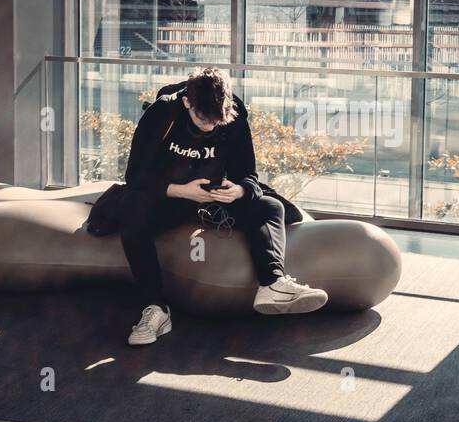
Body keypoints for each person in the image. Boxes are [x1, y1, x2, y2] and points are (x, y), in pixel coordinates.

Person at [110, 67, 328, 345]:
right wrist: (181, 191)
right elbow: (136, 175)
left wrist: (239, 190)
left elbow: (248, 174)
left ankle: (272, 284)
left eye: (217, 121)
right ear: (187, 102)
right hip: (168, 198)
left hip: (213, 199)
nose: (211, 127)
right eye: (203, 119)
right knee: (132, 208)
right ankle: (157, 309)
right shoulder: (162, 113)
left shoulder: (233, 116)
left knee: (270, 207)